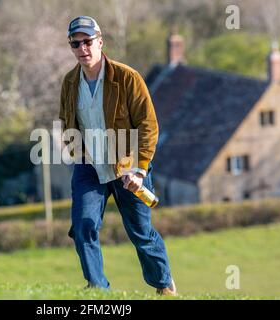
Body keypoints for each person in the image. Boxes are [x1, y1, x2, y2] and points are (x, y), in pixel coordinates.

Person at [59, 16, 177, 296]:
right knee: (83, 226)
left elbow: (148, 126)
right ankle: (98, 289)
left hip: (127, 163)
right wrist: (77, 151)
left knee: (140, 233)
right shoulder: (69, 82)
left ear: (100, 41)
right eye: (75, 44)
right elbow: (66, 122)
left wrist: (138, 170)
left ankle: (164, 285)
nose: (82, 48)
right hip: (89, 166)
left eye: (87, 41)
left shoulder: (127, 77)